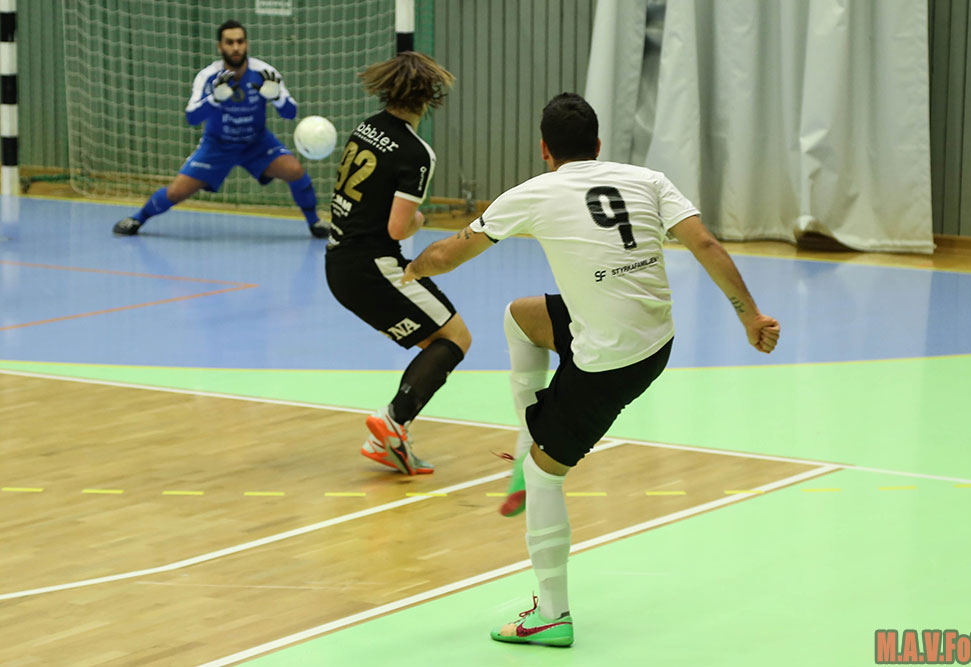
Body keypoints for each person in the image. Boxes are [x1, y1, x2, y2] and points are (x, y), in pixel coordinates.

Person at [402, 93, 781, 647]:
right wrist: (750, 316)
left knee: (544, 477)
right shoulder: (647, 180)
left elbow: (446, 256)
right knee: (520, 316)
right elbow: (703, 242)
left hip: (609, 363)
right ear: (598, 145)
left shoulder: (532, 193)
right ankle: (529, 435)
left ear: (544, 149)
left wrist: (408, 268)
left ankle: (551, 614)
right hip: (655, 342)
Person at [324, 51, 468, 476]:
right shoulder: (416, 152)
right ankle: (391, 424)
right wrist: (420, 220)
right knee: (455, 337)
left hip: (339, 261)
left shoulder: (365, 127)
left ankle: (390, 435)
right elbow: (398, 227)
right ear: (430, 96)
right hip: (372, 266)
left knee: (436, 341)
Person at [113, 19, 329, 238]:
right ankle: (137, 218)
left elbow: (290, 113)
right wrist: (214, 99)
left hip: (257, 143)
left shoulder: (264, 72)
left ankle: (315, 222)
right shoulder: (207, 77)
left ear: (246, 44)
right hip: (217, 145)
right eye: (229, 42)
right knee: (177, 191)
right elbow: (192, 117)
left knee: (295, 170)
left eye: (240, 42)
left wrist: (277, 98)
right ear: (220, 46)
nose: (236, 47)